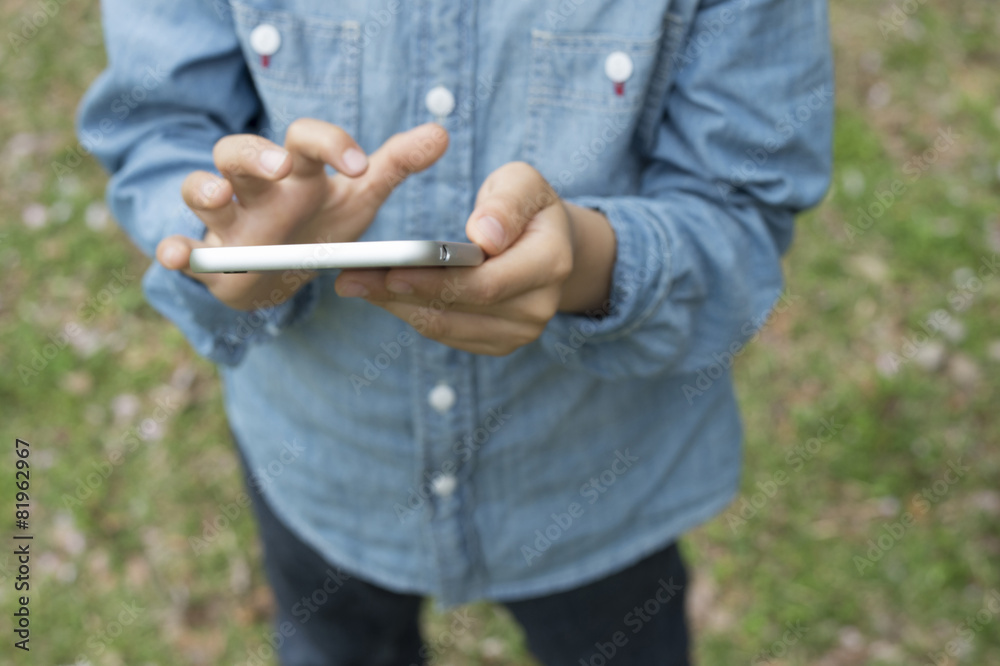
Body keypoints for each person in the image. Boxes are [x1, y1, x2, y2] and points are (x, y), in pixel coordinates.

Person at [78, 0, 832, 663]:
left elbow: (742, 206)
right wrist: (235, 249)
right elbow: (158, 127)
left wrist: (586, 265)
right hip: (322, 465)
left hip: (594, 480)